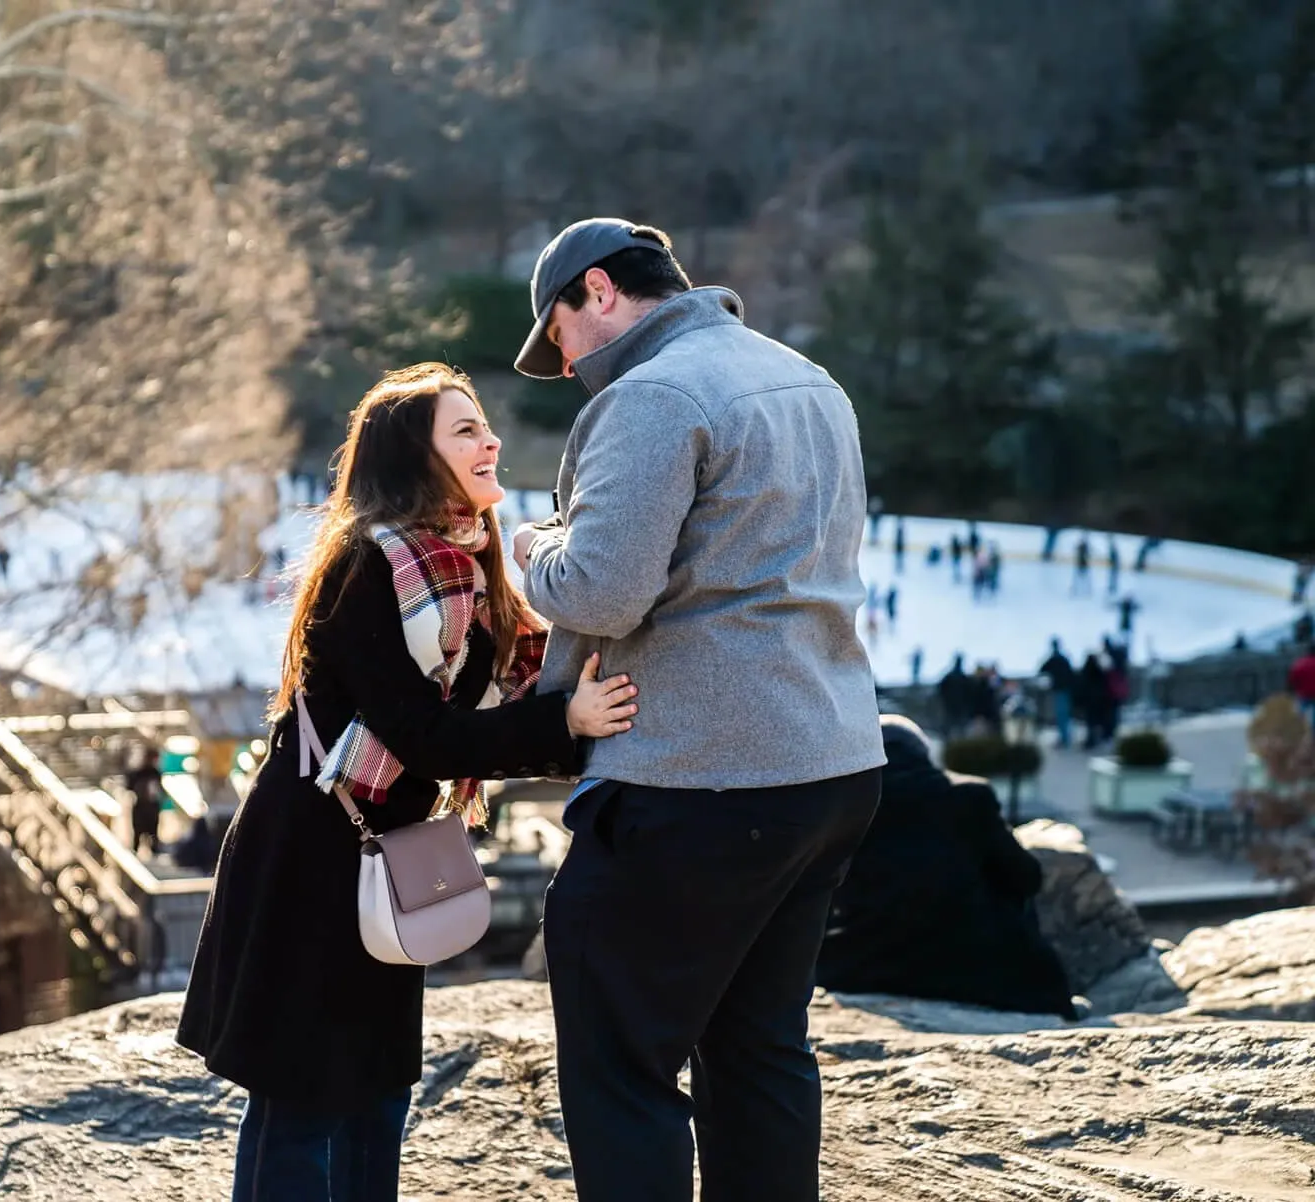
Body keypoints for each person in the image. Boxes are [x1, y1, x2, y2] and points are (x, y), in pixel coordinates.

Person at [176, 363, 638, 1202]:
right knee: (301, 1096)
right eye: (464, 430)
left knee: (379, 1093)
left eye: (484, 423)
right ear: (412, 458)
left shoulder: (473, 568)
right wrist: (562, 725)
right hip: (313, 849)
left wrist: (571, 698)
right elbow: (421, 734)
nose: (490, 439)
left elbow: (497, 699)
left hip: (391, 850)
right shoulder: (371, 564)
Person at [507, 219, 884, 1202]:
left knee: (619, 1063)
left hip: (703, 774)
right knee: (760, 1050)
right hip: (830, 761)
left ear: (597, 291)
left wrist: (530, 541)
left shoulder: (654, 394)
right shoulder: (806, 377)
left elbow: (598, 592)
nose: (564, 361)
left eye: (558, 334)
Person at [817, 716, 1075, 1019]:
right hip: (972, 966)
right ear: (923, 754)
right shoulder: (967, 795)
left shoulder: (843, 809)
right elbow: (1027, 878)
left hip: (865, 965)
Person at [123, 745, 164, 857]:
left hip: (152, 806)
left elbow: (159, 789)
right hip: (140, 806)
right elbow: (129, 786)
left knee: (153, 831)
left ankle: (154, 851)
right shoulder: (138, 774)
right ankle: (136, 851)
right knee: (138, 831)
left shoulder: (155, 773)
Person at [1039, 638, 1076, 748]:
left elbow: (1042, 669)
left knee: (1061, 716)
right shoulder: (1064, 659)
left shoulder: (1054, 659)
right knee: (1065, 715)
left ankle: (1064, 739)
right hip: (1066, 690)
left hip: (1060, 690)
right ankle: (1066, 738)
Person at [1289, 646, 1315, 727]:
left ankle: (1297, 731)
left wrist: (1292, 690)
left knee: (1299, 715)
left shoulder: (1300, 663)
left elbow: (1293, 679)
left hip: (1303, 694)